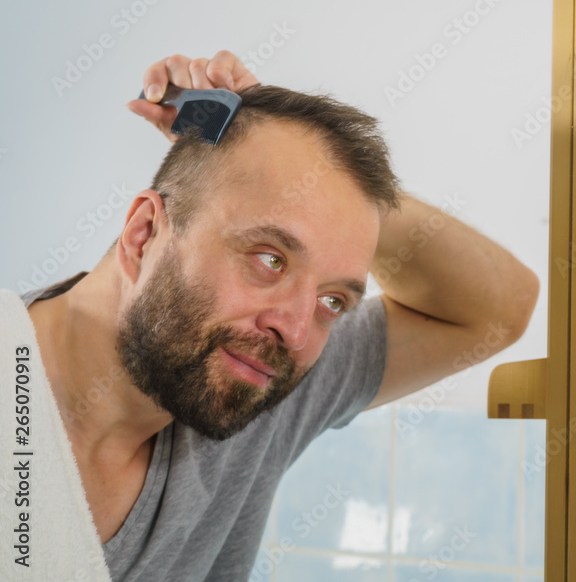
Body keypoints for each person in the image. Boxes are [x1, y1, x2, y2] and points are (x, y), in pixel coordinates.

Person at [5, 69, 539, 580]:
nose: (298, 332)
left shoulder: (253, 385)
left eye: (333, 300)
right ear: (144, 234)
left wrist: (305, 157)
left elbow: (496, 309)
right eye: (270, 260)